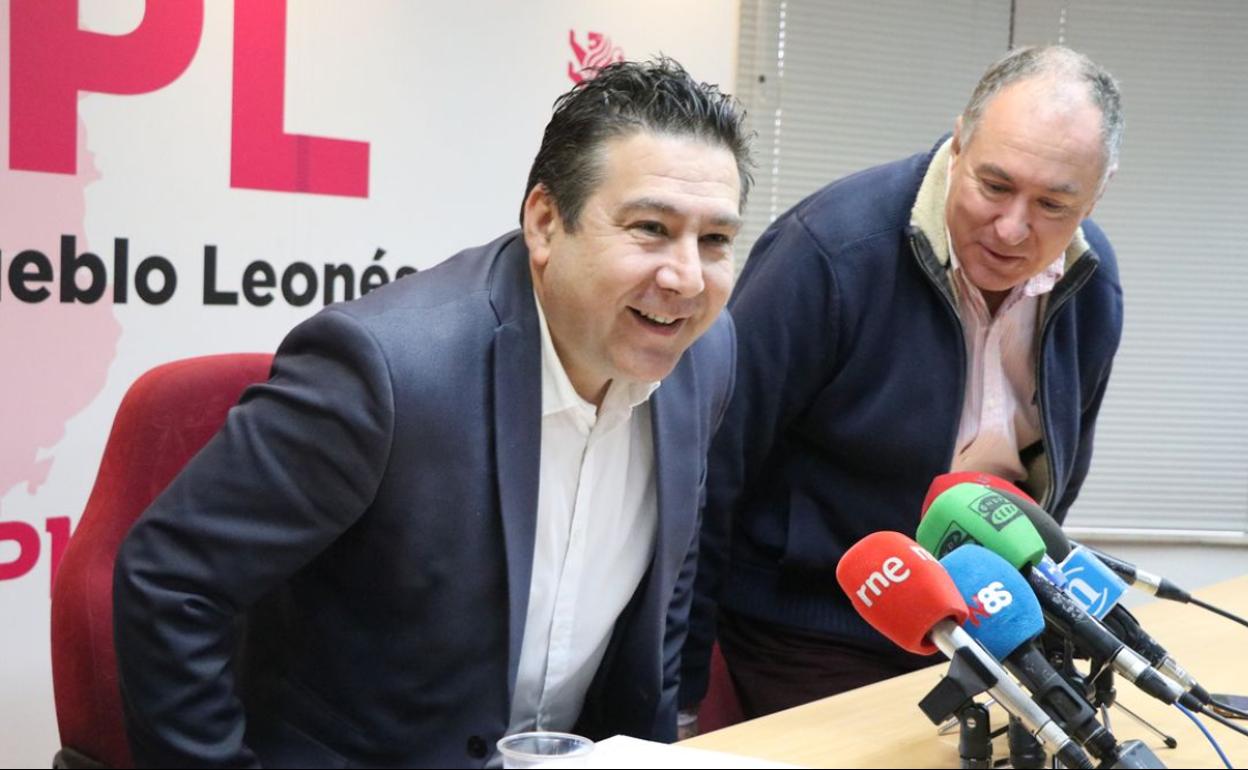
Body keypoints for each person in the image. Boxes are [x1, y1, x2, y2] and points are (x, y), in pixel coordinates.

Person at [113, 58, 753, 768]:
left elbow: (668, 585)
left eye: (716, 241)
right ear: (545, 222)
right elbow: (169, 581)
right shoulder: (385, 369)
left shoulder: (704, 352)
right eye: (650, 228)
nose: (687, 278)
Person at [680, 45, 1124, 726]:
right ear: (959, 142)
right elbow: (708, 470)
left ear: (1097, 194)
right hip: (809, 631)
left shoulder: (1091, 282)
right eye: (995, 186)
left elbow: (1050, 488)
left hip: (979, 630)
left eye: (1054, 205)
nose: (1012, 228)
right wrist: (679, 691)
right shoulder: (829, 252)